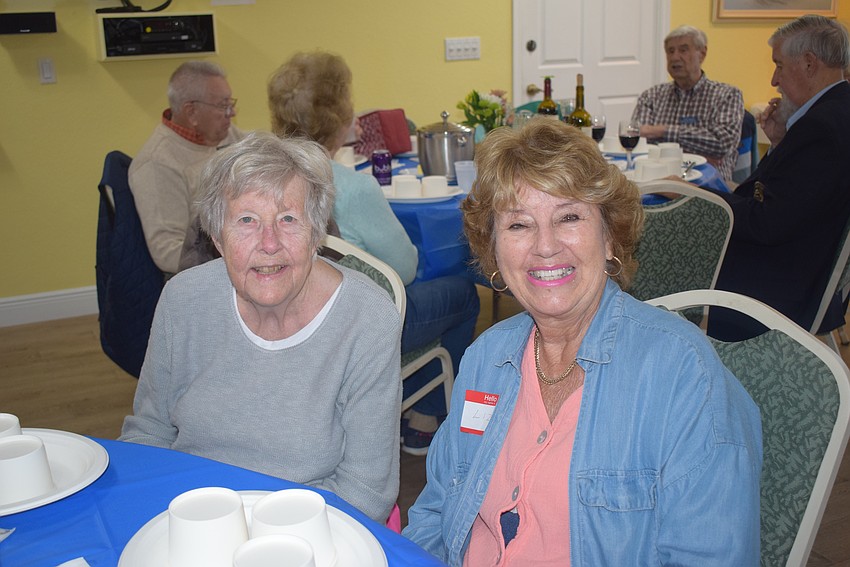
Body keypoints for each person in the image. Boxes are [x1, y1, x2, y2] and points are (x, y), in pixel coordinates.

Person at [402, 120, 762, 565]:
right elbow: (437, 508)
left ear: (610, 234)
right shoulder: (484, 359)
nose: (545, 247)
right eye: (519, 225)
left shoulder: (683, 377)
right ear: (493, 252)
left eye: (569, 217)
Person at [119, 132, 402, 523]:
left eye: (288, 219)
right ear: (217, 237)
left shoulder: (367, 319)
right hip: (191, 517)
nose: (269, 243)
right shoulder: (183, 300)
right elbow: (148, 434)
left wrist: (251, 534)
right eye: (247, 220)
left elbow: (366, 490)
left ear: (317, 233)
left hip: (310, 529)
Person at [267, 51, 480, 455]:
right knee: (462, 292)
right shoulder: (351, 188)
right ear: (340, 117)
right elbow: (405, 270)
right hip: (354, 330)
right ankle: (423, 414)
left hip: (289, 321)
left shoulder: (265, 177)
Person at [707, 15, 850, 341]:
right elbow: (786, 196)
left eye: (779, 66)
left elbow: (764, 223)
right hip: (807, 268)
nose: (774, 79)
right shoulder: (835, 112)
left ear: (810, 64)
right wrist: (779, 145)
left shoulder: (820, 128)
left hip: (779, 288)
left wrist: (703, 197)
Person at [130, 61, 245, 277]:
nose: (232, 112)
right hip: (204, 274)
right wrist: (236, 258)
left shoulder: (224, 134)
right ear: (191, 112)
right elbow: (167, 252)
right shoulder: (157, 164)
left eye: (230, 103)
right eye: (223, 106)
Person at [632, 25, 744, 184]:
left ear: (702, 53)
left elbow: (722, 143)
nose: (675, 57)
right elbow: (638, 142)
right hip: (658, 181)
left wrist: (660, 131)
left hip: (709, 185)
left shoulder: (727, 95)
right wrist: (699, 154)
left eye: (683, 50)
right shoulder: (651, 96)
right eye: (670, 51)